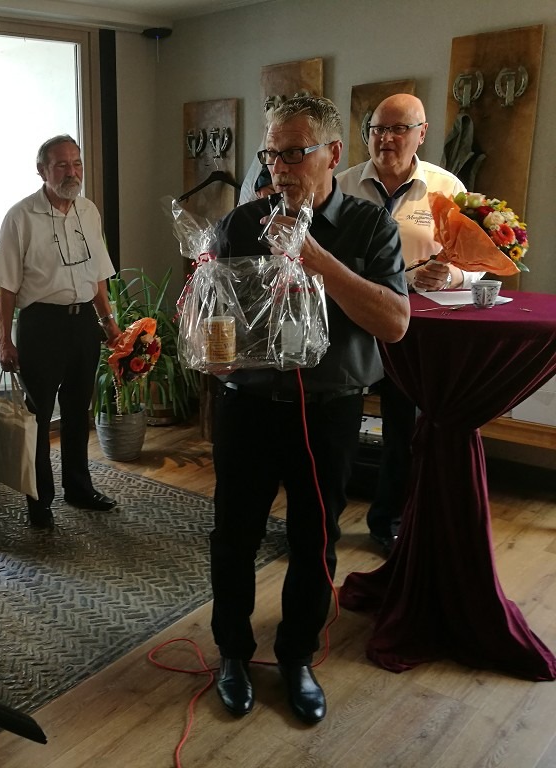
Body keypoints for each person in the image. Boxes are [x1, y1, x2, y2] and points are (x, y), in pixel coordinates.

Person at [208, 96, 408, 724]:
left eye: (295, 153)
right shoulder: (242, 223)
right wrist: (211, 347)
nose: (280, 167)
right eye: (271, 153)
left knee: (315, 540)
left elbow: (395, 323)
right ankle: (233, 654)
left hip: (328, 411)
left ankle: (296, 657)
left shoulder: (370, 228)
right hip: (245, 405)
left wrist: (316, 259)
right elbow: (215, 310)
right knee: (233, 536)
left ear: (333, 154)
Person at [337, 93, 482, 556]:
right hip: (351, 324)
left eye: (398, 129)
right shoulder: (341, 186)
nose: (386, 138)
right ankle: (322, 520)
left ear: (421, 134)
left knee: (405, 432)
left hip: (415, 328)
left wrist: (453, 275)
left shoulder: (446, 188)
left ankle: (389, 522)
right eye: (378, 129)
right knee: (337, 427)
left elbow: (477, 261)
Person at [0, 134, 121, 529]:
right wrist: (4, 340)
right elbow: (6, 286)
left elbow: (98, 276)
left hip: (83, 324)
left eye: (76, 163)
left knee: (78, 411)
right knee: (39, 416)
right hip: (41, 325)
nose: (71, 172)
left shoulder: (89, 211)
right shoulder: (20, 216)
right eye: (61, 165)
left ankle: (79, 489)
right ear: (42, 170)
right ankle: (39, 500)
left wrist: (108, 322)